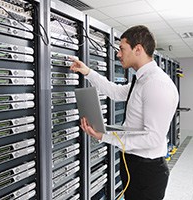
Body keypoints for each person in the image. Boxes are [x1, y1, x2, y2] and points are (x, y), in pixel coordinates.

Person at [70, 25, 179, 200]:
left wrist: (103, 136)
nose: (118, 54)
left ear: (138, 49)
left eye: (121, 49)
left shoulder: (157, 84)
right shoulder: (143, 81)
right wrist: (88, 72)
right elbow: (114, 91)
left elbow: (153, 139)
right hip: (134, 164)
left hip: (147, 171)